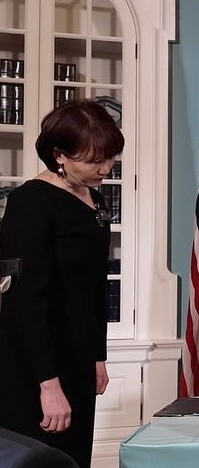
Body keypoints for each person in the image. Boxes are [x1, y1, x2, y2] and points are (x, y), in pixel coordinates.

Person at [0, 100, 124, 468]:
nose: (105, 169)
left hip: (78, 356)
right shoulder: (30, 202)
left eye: (110, 158)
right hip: (35, 362)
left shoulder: (94, 197)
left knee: (75, 458)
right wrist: (48, 384)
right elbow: (24, 301)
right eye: (94, 161)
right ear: (59, 156)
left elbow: (95, 285)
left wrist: (97, 356)